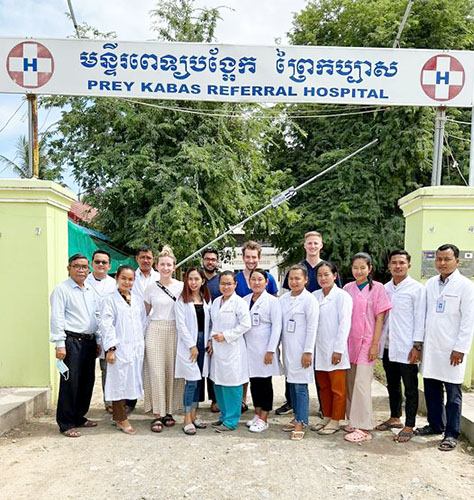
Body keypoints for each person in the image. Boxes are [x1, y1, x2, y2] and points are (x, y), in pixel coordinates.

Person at [416, 244, 474, 451]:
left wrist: (460, 348)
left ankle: (451, 433)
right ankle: (435, 425)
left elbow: (468, 321)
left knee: (453, 394)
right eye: (439, 259)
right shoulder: (430, 283)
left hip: (452, 350)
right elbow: (423, 316)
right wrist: (419, 344)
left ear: (457, 261)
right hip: (432, 347)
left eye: (446, 259)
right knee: (432, 390)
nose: (441, 263)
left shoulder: (466, 286)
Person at [278, 231, 341, 416]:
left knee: (318, 369)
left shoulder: (326, 268)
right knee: (293, 368)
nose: (312, 246)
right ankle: (291, 403)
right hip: (296, 327)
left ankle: (323, 407)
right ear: (304, 245)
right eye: (309, 243)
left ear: (321, 245)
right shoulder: (298, 268)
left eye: (316, 243)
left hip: (320, 324)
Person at [376, 250, 425, 443]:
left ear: (408, 265)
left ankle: (409, 424)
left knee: (410, 387)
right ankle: (395, 417)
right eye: (394, 263)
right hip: (388, 346)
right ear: (389, 266)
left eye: (401, 263)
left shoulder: (416, 289)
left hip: (407, 347)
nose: (397, 266)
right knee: (392, 384)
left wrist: (417, 346)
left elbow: (420, 319)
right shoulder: (385, 288)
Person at [343, 252, 392, 444]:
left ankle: (363, 426)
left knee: (362, 385)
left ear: (369, 269)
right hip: (350, 342)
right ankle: (352, 420)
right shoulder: (347, 288)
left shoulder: (378, 288)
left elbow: (380, 318)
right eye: (355, 267)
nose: (359, 271)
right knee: (350, 382)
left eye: (363, 267)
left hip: (367, 342)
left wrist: (375, 345)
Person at [49, 254, 100, 438]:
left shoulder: (89, 290)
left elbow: (96, 315)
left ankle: (79, 416)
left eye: (84, 267)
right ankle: (66, 422)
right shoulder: (61, 290)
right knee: (70, 383)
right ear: (69, 268)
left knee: (87, 381)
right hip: (71, 342)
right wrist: (59, 344)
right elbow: (57, 318)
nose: (81, 270)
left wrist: (99, 340)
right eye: (77, 266)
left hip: (89, 341)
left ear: (89, 270)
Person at [143, 245, 184, 433]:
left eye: (169, 265)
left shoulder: (181, 287)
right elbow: (145, 312)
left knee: (172, 372)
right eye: (162, 264)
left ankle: (169, 411)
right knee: (156, 372)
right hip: (155, 330)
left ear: (174, 267)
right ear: (157, 266)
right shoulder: (150, 287)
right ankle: (157, 413)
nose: (166, 268)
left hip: (174, 330)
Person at [235, 240, 278, 412]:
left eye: (254, 257)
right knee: (249, 375)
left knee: (263, 379)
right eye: (247, 257)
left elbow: (273, 311)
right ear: (243, 257)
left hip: (263, 339)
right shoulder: (237, 278)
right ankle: (246, 402)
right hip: (245, 337)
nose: (250, 260)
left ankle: (263, 412)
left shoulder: (269, 280)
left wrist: (272, 348)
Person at [101, 266, 144, 435]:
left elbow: (142, 322)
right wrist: (110, 348)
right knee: (118, 382)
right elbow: (106, 325)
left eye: (130, 279)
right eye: (124, 278)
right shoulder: (110, 300)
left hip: (135, 347)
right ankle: (120, 418)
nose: (127, 282)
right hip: (119, 347)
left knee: (129, 381)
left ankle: (121, 415)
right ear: (117, 279)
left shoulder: (137, 299)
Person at [312, 261, 352, 435]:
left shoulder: (342, 296)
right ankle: (327, 416)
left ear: (335, 276)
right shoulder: (314, 295)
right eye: (320, 275)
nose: (323, 278)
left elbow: (345, 324)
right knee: (324, 387)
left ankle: (336, 420)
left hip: (336, 350)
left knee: (338, 389)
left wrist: (338, 349)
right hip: (319, 349)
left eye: (326, 274)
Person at [279, 265, 319, 441]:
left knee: (300, 386)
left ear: (305, 280)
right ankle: (296, 416)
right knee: (291, 384)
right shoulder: (283, 299)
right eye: (291, 279)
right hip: (288, 349)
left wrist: (308, 351)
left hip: (303, 350)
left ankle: (301, 422)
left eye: (298, 278)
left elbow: (312, 327)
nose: (294, 282)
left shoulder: (309, 300)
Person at [209, 271, 251, 432]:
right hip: (217, 349)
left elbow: (246, 324)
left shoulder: (239, 303)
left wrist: (226, 336)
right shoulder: (216, 302)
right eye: (222, 284)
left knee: (232, 384)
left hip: (232, 348)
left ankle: (232, 420)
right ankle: (223, 416)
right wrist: (211, 340)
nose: (225, 287)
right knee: (219, 383)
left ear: (235, 285)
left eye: (229, 284)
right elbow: (213, 324)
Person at [243, 269, 282, 433]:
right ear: (249, 282)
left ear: (266, 282)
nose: (256, 282)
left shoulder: (273, 302)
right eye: (253, 279)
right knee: (254, 383)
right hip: (249, 349)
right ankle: (257, 413)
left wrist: (271, 350)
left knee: (265, 383)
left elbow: (277, 327)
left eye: (260, 279)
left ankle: (264, 418)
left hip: (265, 349)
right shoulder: (244, 300)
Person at [175, 268, 211, 435]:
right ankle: (187, 418)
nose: (193, 282)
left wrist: (209, 340)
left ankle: (195, 415)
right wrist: (191, 345)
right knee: (191, 381)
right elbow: (181, 326)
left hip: (203, 342)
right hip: (190, 344)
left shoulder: (206, 299)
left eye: (197, 279)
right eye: (190, 279)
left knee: (198, 381)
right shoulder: (181, 300)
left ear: (202, 281)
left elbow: (210, 323)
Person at [85, 250, 117, 414]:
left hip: (106, 334)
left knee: (107, 368)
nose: (100, 265)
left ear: (109, 265)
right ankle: (82, 406)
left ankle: (109, 401)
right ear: (92, 263)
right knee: (86, 371)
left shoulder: (114, 284)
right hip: (87, 332)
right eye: (97, 262)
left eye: (104, 262)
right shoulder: (84, 282)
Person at [129, 245, 159, 413]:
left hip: (155, 325)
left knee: (153, 366)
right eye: (143, 257)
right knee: (134, 365)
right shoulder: (131, 277)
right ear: (137, 259)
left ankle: (154, 402)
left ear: (153, 259)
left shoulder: (159, 277)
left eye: (149, 257)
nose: (146, 260)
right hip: (135, 326)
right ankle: (130, 401)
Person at [201, 247, 221, 413]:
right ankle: (197, 399)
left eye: (213, 259)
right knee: (199, 362)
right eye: (207, 259)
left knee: (214, 364)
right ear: (203, 261)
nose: (210, 262)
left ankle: (215, 399)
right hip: (198, 326)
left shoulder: (220, 281)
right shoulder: (196, 279)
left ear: (217, 262)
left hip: (216, 327)